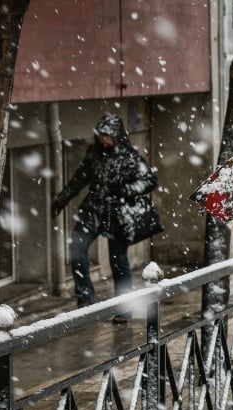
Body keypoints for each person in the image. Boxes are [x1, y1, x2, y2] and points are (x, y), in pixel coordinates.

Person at [51, 114, 163, 319]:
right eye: (101, 135)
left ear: (117, 136)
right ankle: (85, 298)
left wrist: (127, 189)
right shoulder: (94, 154)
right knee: (77, 248)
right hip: (93, 210)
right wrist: (63, 198)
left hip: (118, 214)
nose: (104, 140)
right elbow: (80, 178)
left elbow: (150, 180)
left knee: (118, 260)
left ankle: (124, 307)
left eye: (108, 136)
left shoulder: (130, 157)